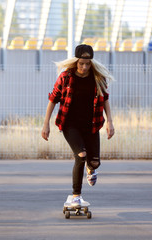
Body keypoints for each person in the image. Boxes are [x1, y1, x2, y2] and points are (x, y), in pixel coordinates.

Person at [41, 44, 115, 206]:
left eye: (87, 64)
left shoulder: (98, 78)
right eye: (81, 63)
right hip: (70, 124)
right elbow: (53, 99)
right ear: (76, 62)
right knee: (81, 155)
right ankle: (76, 195)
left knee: (94, 162)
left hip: (92, 124)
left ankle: (91, 168)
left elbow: (105, 99)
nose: (84, 67)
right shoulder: (65, 77)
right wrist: (46, 124)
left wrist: (109, 121)